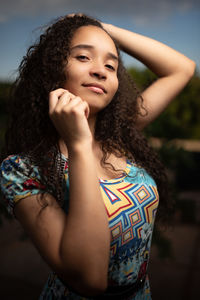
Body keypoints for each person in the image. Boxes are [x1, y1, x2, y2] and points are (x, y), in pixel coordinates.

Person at [0, 13, 195, 300]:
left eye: (111, 65)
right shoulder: (22, 170)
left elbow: (181, 68)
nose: (101, 71)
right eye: (83, 57)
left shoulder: (120, 135)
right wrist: (79, 144)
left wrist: (104, 29)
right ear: (51, 67)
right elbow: (90, 278)